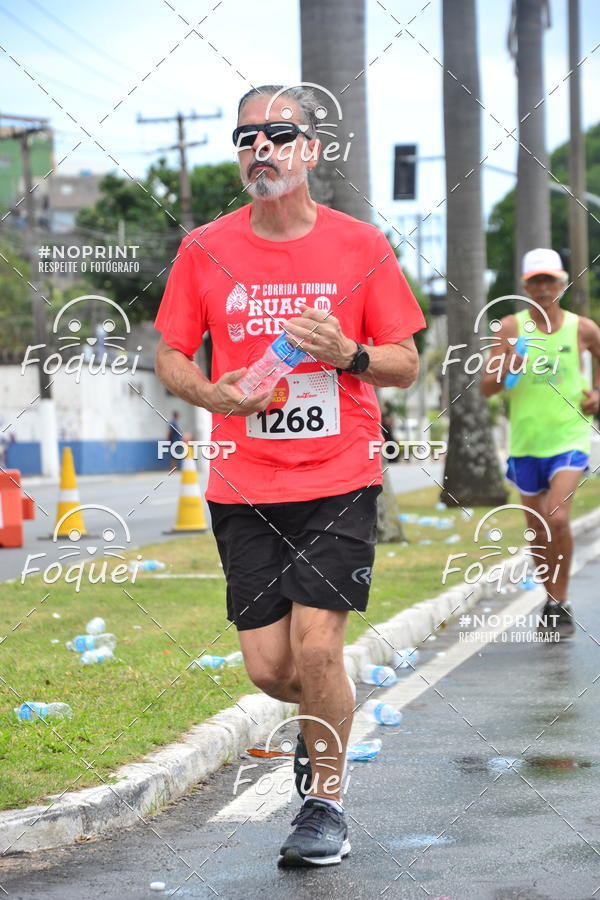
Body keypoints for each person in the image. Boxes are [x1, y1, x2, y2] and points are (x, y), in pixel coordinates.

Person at [154, 84, 425, 867]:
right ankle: (321, 726)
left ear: (312, 149)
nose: (261, 149)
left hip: (340, 474)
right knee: (271, 669)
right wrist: (215, 395)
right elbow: (171, 354)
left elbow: (406, 360)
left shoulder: (359, 246)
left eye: (277, 134)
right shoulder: (204, 249)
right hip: (244, 483)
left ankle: (325, 806)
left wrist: (350, 354)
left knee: (316, 650)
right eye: (247, 138)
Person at [481, 248, 600, 636]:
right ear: (525, 286)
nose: (544, 288)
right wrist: (508, 366)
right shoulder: (509, 328)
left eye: (550, 280)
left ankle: (560, 599)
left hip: (570, 436)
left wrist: (597, 392)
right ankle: (551, 600)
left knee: (557, 517)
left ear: (563, 283)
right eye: (537, 281)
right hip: (526, 442)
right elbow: (486, 388)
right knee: (537, 527)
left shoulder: (582, 328)